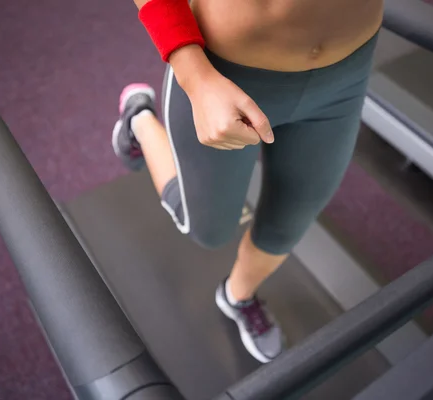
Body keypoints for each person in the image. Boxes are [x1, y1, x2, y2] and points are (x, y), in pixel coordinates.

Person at [112, 0, 383, 363]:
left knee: (288, 225)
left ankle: (237, 295)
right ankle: (140, 121)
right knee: (208, 231)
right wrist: (196, 78)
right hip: (225, 74)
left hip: (344, 76)